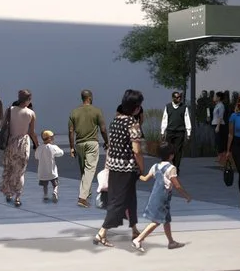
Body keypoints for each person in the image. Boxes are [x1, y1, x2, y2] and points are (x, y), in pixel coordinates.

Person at [91, 90, 147, 248]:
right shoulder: (133, 124)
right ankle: (101, 232)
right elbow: (137, 151)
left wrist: (107, 164)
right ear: (136, 108)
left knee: (130, 199)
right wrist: (142, 168)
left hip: (114, 166)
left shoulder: (115, 121)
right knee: (118, 201)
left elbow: (111, 147)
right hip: (127, 169)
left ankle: (135, 230)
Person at [131, 142, 191, 252]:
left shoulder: (155, 166)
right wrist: (186, 196)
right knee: (156, 221)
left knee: (166, 220)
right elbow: (177, 185)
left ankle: (171, 242)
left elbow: (144, 179)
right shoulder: (171, 168)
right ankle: (138, 239)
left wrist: (136, 174)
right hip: (162, 198)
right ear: (171, 155)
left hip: (154, 196)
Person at [0, 90, 36, 206]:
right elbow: (31, 132)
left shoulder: (10, 110)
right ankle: (18, 197)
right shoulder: (31, 113)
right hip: (23, 144)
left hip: (11, 143)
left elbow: (2, 125)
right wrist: (37, 144)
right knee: (20, 171)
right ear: (29, 100)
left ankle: (9, 193)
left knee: (9, 169)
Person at [67, 90, 103, 206]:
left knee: (84, 169)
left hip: (79, 144)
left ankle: (87, 192)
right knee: (89, 169)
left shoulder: (74, 112)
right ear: (90, 98)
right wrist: (107, 142)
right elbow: (103, 129)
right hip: (92, 143)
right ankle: (82, 198)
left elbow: (71, 131)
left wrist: (72, 147)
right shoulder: (96, 111)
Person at [158, 90, 191, 172]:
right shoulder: (168, 107)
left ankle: (176, 167)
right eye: (177, 97)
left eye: (180, 97)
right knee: (168, 149)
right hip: (170, 131)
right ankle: (168, 166)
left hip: (180, 132)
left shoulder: (184, 107)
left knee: (178, 150)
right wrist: (162, 131)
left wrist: (189, 132)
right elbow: (165, 119)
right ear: (173, 98)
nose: (179, 99)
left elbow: (187, 120)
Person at [33, 129, 64, 203]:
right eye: (52, 137)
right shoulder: (53, 147)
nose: (53, 139)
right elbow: (61, 153)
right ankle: (55, 192)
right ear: (50, 138)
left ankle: (45, 195)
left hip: (42, 172)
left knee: (45, 185)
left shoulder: (39, 148)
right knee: (55, 184)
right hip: (52, 172)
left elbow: (36, 156)